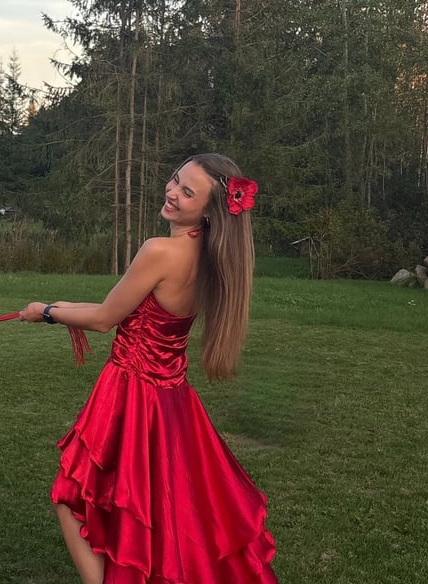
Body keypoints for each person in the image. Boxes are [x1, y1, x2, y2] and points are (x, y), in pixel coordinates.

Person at [19, 153, 277, 583]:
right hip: (172, 401)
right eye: (175, 180)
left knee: (72, 494)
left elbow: (104, 320)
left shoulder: (160, 251)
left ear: (209, 211)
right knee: (161, 513)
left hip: (131, 394)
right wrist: (59, 307)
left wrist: (45, 312)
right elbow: (124, 311)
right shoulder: (208, 258)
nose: (172, 192)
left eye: (187, 192)